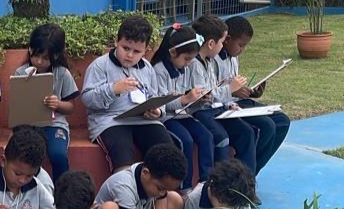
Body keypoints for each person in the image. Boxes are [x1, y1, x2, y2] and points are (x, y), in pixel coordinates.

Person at [81, 16, 173, 173]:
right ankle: (124, 194)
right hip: (110, 120)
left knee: (167, 153)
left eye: (137, 51)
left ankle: (156, 195)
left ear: (145, 51)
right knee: (123, 155)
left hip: (143, 120)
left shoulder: (147, 68)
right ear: (117, 42)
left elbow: (154, 96)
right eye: (125, 48)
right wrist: (113, 89)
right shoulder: (100, 65)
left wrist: (157, 111)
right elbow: (87, 99)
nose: (130, 55)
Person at [220, 16, 291, 173]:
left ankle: (252, 172)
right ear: (227, 39)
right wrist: (232, 91)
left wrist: (251, 92)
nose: (242, 50)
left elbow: (234, 85)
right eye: (241, 45)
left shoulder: (233, 57)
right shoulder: (214, 59)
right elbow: (212, 93)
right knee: (267, 126)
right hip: (224, 106)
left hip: (237, 101)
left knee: (282, 120)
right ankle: (244, 176)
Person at [151, 24, 213, 194]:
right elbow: (161, 102)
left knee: (206, 136)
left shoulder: (184, 68)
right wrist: (185, 98)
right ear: (172, 52)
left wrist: (198, 100)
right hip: (166, 118)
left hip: (182, 115)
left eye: (191, 59)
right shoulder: (159, 71)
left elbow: (185, 98)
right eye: (186, 59)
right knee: (185, 140)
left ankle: (206, 183)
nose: (189, 63)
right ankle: (184, 188)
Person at [190, 15, 256, 173]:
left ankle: (246, 184)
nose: (223, 46)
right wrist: (230, 90)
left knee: (246, 132)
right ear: (212, 43)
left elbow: (214, 88)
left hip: (218, 108)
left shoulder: (209, 61)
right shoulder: (194, 64)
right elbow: (204, 96)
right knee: (221, 138)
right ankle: (219, 185)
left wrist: (229, 103)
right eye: (221, 42)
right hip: (201, 112)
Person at [14, 23, 79, 182]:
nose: (39, 61)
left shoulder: (62, 73)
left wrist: (58, 104)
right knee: (24, 156)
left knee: (58, 155)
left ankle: (62, 195)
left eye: (45, 58)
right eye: (35, 55)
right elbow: (16, 106)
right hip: (28, 124)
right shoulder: (20, 72)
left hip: (54, 124)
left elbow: (71, 107)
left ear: (56, 56)